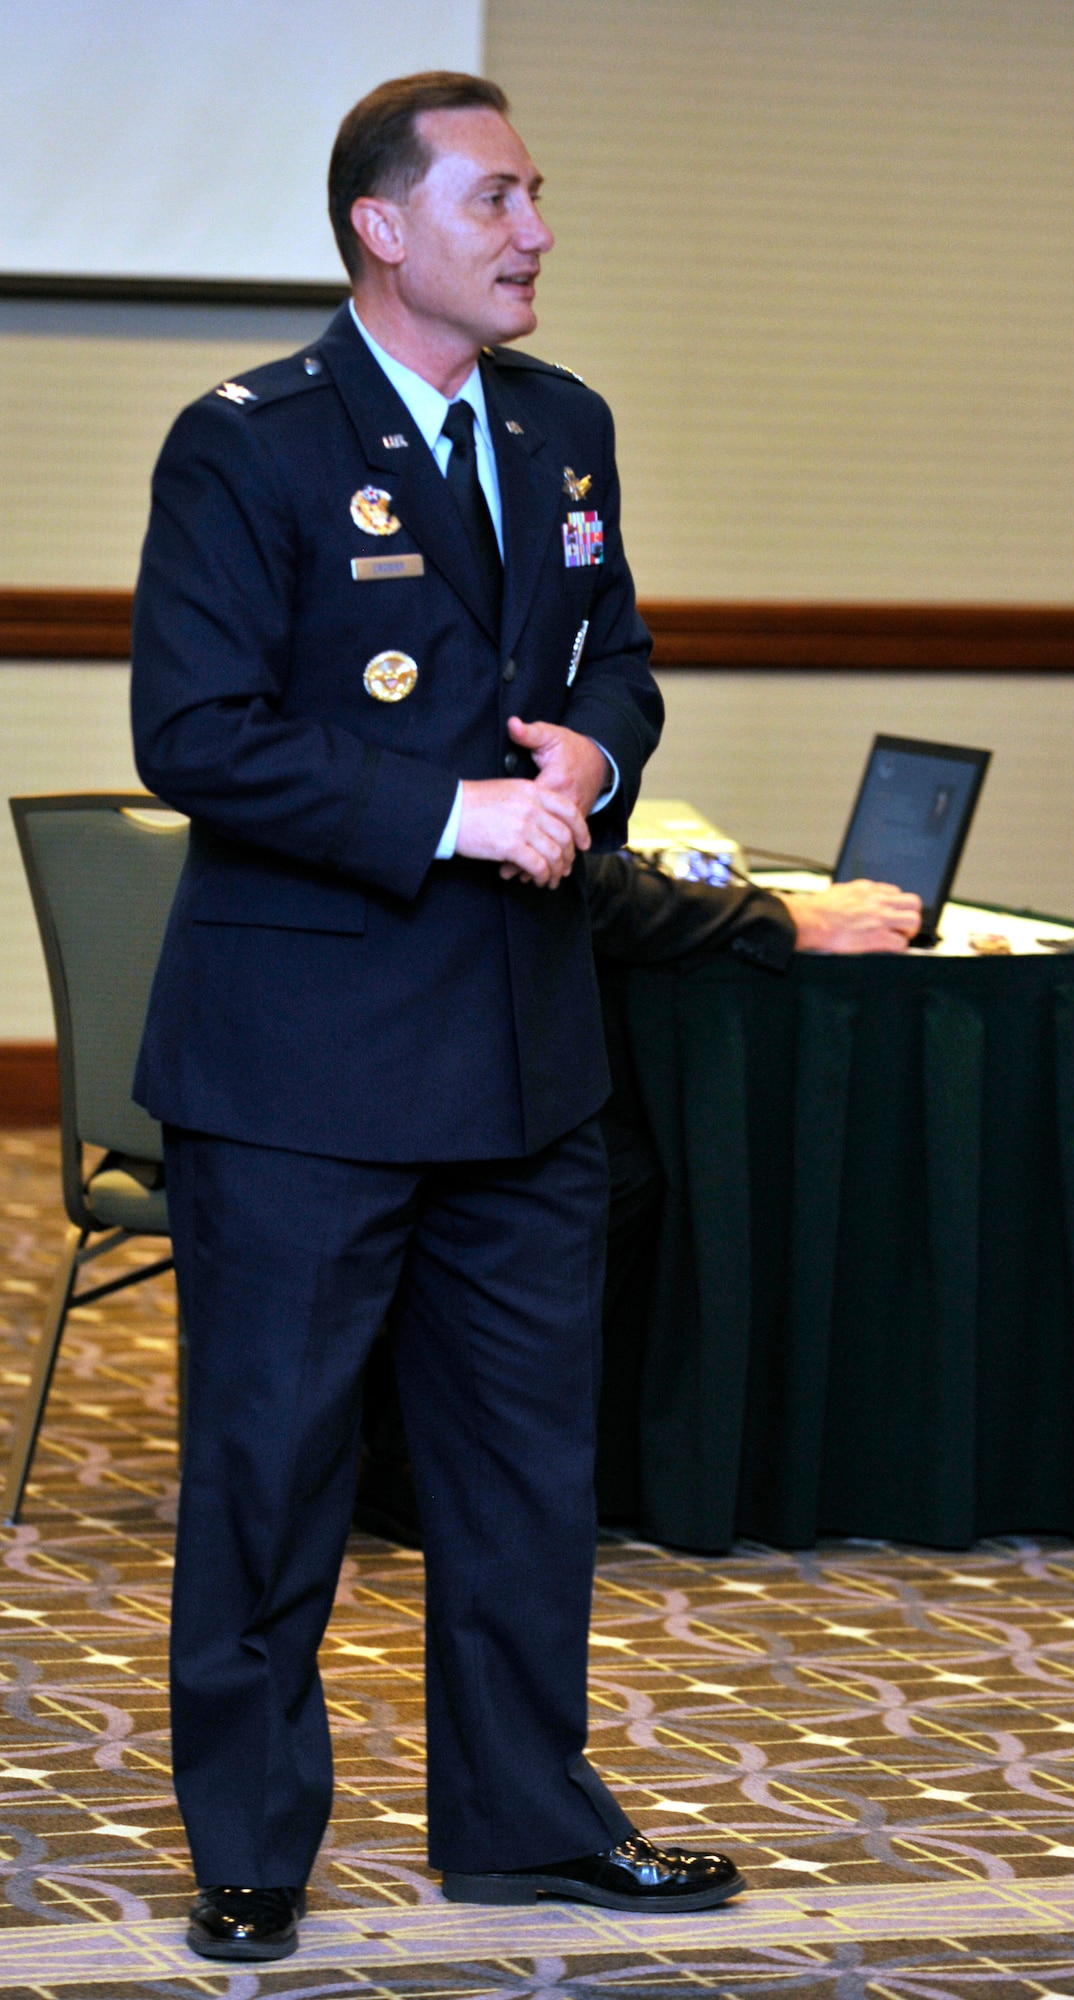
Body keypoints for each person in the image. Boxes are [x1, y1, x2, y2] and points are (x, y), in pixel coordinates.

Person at [130, 70, 742, 1964]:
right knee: (273, 1466)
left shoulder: (565, 428)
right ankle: (251, 1842)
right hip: (303, 1068)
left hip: (523, 1056)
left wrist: (598, 749)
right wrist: (453, 809)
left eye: (537, 194)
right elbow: (196, 736)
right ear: (383, 229)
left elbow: (615, 652)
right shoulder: (249, 444)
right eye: (494, 199)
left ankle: (523, 1821)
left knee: (522, 1478)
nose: (535, 230)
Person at [355, 855, 922, 1536]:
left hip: (384, 1017)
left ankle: (431, 1456)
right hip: (403, 1035)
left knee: (610, 1157)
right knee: (602, 1168)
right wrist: (781, 916)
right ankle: (419, 1465)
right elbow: (584, 893)